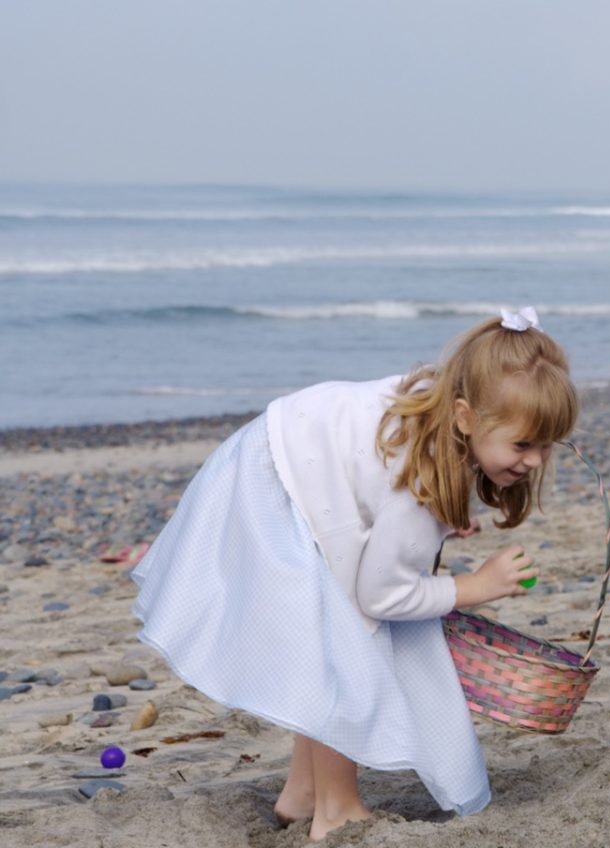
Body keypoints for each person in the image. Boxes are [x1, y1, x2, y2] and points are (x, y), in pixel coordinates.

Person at [131, 308, 578, 840]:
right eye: (523, 445)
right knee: (344, 651)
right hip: (276, 487)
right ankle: (337, 809)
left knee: (330, 639)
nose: (535, 461)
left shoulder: (450, 403)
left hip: (282, 455)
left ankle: (303, 794)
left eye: (546, 445)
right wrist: (474, 587)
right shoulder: (423, 479)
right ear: (464, 417)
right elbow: (380, 597)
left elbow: (381, 496)